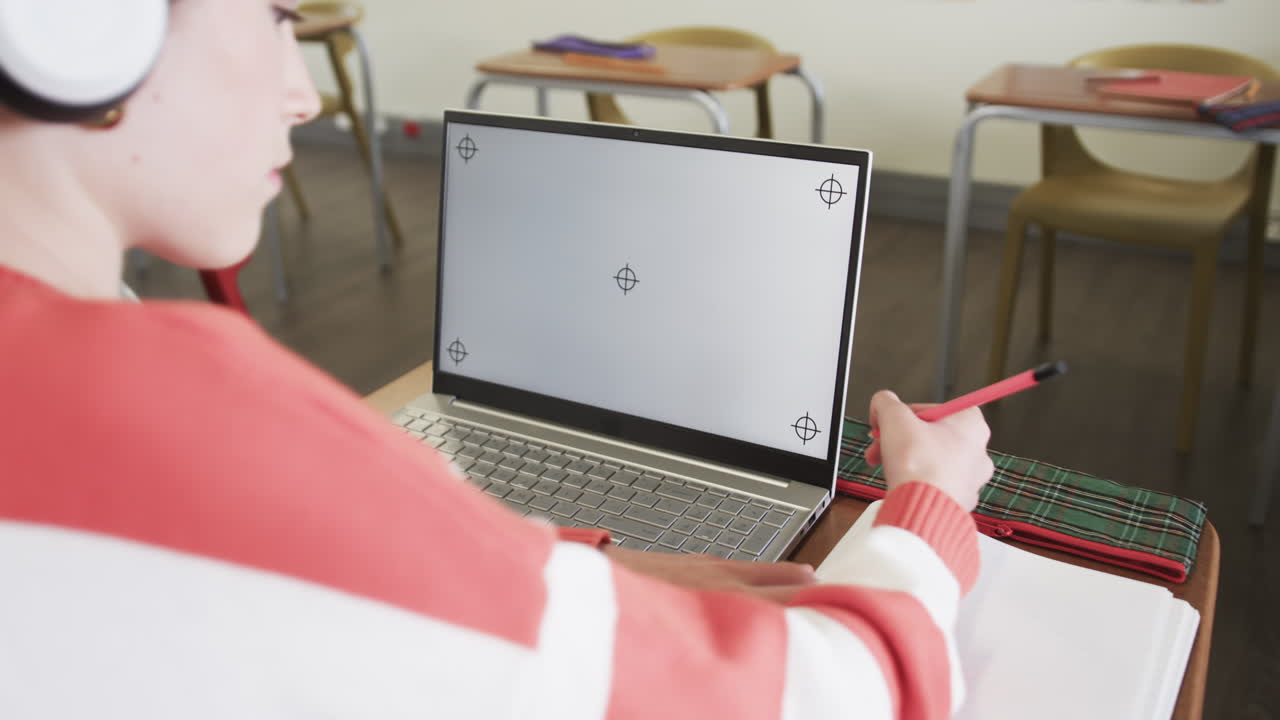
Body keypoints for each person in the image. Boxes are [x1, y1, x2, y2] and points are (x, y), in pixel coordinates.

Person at [0, 1, 995, 717]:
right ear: (79, 22)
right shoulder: (182, 422)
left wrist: (557, 568)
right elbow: (841, 694)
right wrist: (930, 500)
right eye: (275, 14)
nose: (303, 95)